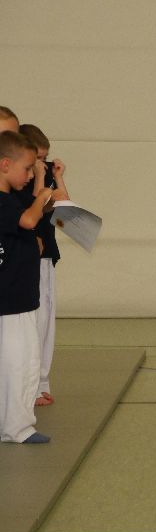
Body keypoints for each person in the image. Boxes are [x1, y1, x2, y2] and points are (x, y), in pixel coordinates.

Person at [0, 130, 67, 444]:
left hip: (21, 297)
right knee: (19, 363)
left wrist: (47, 196)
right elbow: (28, 221)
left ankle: (15, 424)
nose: (30, 175)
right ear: (5, 165)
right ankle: (16, 427)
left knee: (23, 362)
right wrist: (41, 197)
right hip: (11, 300)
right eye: (27, 168)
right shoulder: (3, 202)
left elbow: (31, 221)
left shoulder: (12, 200)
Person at [18, 124, 67, 406]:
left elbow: (62, 209)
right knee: (34, 321)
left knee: (47, 320)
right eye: (37, 158)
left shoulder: (44, 172)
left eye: (44, 157)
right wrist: (38, 177)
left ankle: (42, 381)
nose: (42, 163)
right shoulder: (23, 179)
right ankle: (32, 385)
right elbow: (32, 209)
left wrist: (57, 178)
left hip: (47, 252)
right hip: (29, 254)